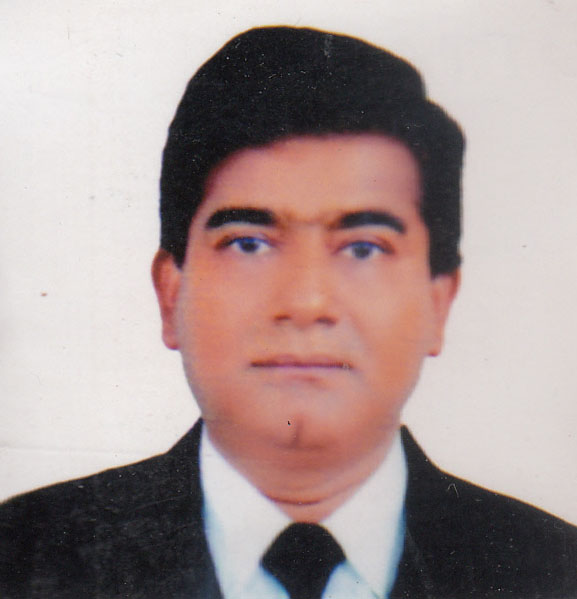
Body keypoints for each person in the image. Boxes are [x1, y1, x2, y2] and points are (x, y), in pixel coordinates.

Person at [0, 25, 575, 599]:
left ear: (437, 303)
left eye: (363, 249)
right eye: (249, 244)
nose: (306, 303)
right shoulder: (20, 559)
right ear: (171, 294)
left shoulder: (553, 571)